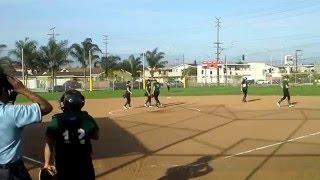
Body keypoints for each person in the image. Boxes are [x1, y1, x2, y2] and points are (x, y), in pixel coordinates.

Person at [0, 73, 52, 180]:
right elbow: (46, 107)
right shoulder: (12, 113)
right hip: (11, 171)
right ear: (3, 90)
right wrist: (23, 90)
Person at [44, 90, 99, 180]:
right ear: (81, 103)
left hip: (63, 163)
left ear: (64, 104)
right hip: (84, 162)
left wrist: (47, 163)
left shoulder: (57, 120)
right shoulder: (87, 118)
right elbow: (96, 136)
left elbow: (49, 143)